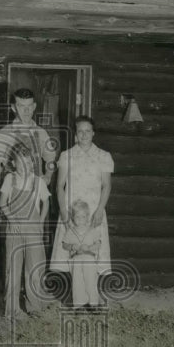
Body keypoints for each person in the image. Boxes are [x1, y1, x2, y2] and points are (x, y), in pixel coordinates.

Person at [50, 116, 113, 302]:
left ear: (93, 133)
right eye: (80, 131)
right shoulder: (66, 156)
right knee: (72, 248)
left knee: (93, 249)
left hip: (93, 210)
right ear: (75, 134)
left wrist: (100, 209)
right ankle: (75, 294)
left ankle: (93, 295)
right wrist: (63, 211)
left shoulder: (103, 156)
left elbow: (106, 185)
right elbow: (59, 185)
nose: (84, 135)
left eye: (88, 131)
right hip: (72, 211)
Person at [0, 141, 50, 318]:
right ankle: (12, 310)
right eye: (21, 162)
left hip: (33, 229)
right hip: (14, 228)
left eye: (28, 162)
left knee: (34, 267)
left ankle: (34, 307)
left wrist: (41, 222)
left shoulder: (38, 181)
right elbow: (2, 203)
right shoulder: (9, 179)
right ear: (13, 163)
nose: (25, 166)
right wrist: (12, 220)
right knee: (12, 268)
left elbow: (46, 202)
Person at [0, 88, 58, 186]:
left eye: (29, 106)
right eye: (21, 106)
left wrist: (47, 177)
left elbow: (51, 159)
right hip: (14, 195)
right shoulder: (2, 135)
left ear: (34, 106)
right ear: (13, 107)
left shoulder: (41, 133)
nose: (26, 110)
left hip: (37, 193)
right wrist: (7, 186)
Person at [59, 200, 103, 308]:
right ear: (73, 217)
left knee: (90, 280)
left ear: (87, 217)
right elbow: (64, 245)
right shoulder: (70, 231)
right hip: (76, 260)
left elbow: (98, 244)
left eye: (83, 217)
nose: (80, 219)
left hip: (89, 259)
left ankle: (93, 303)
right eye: (77, 217)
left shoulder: (92, 231)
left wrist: (89, 247)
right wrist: (71, 246)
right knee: (77, 282)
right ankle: (79, 304)